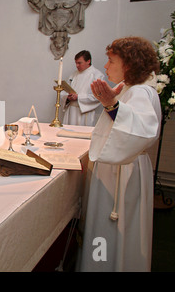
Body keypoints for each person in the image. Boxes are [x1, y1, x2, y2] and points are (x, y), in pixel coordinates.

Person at [78, 37, 161, 272]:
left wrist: (110, 104)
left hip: (125, 172)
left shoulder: (141, 91)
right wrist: (110, 101)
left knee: (115, 230)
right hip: (115, 169)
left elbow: (141, 131)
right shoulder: (128, 89)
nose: (105, 66)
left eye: (111, 61)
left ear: (129, 64)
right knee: (104, 228)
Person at [61, 50, 105, 126]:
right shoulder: (74, 75)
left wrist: (79, 97)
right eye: (76, 63)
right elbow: (64, 91)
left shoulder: (97, 75)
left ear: (88, 61)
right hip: (71, 111)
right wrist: (67, 97)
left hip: (85, 113)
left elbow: (99, 97)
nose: (77, 65)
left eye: (79, 63)